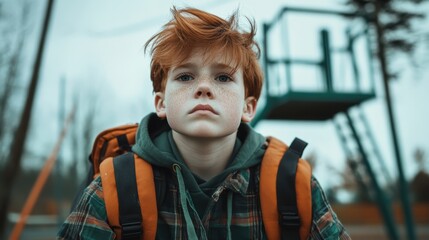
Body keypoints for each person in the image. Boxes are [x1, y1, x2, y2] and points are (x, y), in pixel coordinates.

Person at [57, 7, 350, 240]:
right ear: (161, 103)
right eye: (186, 77)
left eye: (223, 78)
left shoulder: (291, 186)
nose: (204, 88)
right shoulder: (115, 188)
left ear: (248, 107)